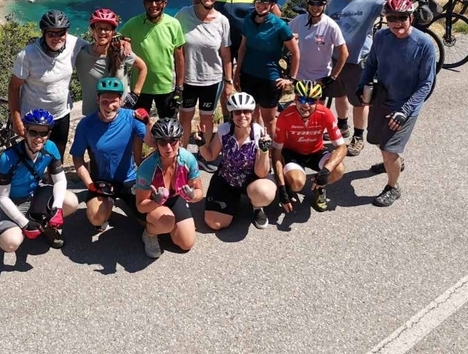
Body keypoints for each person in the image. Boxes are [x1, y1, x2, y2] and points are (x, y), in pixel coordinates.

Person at [326, 0, 415, 157]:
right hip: (334, 60)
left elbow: (395, 9)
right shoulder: (334, 2)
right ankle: (342, 126)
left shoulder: (372, 1)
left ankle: (358, 136)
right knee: (338, 95)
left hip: (357, 61)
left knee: (359, 101)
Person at [357, 0, 435, 208]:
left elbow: (426, 84)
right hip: (382, 98)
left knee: (389, 149)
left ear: (411, 17)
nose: (397, 22)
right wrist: (361, 86)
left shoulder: (425, 44)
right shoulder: (381, 36)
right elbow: (371, 64)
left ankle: (393, 187)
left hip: (405, 105)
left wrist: (405, 110)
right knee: (379, 141)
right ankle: (393, 162)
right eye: (392, 18)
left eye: (402, 17)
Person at [0, 109, 80, 253]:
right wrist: (24, 223)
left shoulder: (50, 148)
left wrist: (57, 208)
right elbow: (2, 197)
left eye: (43, 133)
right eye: (33, 132)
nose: (38, 138)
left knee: (71, 201)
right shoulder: (8, 158)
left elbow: (59, 181)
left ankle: (45, 226)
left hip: (36, 194)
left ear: (49, 134)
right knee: (11, 243)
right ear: (25, 132)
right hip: (13, 200)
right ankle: (6, 230)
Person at [70, 77, 148, 229]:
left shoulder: (131, 117)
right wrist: (90, 185)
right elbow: (77, 159)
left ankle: (124, 201)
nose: (109, 106)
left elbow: (153, 141)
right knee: (95, 218)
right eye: (104, 101)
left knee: (147, 220)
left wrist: (148, 122)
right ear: (97, 99)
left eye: (114, 101)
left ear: (121, 100)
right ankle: (109, 202)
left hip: (128, 178)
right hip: (101, 181)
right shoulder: (86, 124)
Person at [8, 9, 86, 158]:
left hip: (61, 113)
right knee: (33, 157)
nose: (57, 38)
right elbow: (13, 88)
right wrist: (16, 120)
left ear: (66, 32)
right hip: (34, 117)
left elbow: (98, 48)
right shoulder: (28, 55)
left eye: (61, 33)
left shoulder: (73, 44)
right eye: (51, 34)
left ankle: (53, 181)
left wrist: (121, 40)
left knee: (57, 155)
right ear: (43, 33)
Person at [213, 0, 281, 116]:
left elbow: (275, 14)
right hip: (222, 45)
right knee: (225, 85)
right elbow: (198, 2)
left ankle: (253, 124)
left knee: (249, 85)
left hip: (249, 44)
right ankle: (228, 120)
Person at [200, 92, 277, 231]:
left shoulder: (258, 133)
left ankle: (257, 206)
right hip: (226, 179)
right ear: (232, 114)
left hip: (252, 178)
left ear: (252, 113)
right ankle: (232, 201)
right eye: (237, 112)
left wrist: (264, 150)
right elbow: (210, 156)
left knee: (265, 192)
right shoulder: (224, 130)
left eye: (246, 112)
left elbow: (261, 172)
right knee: (214, 223)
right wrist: (201, 144)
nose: (242, 116)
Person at [234, 0, 299, 140]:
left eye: (265, 2)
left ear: (272, 5)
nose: (261, 5)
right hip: (248, 75)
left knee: (269, 119)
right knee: (252, 116)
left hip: (269, 78)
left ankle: (273, 152)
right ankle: (256, 146)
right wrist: (237, 74)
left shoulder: (279, 25)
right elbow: (242, 48)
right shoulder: (248, 20)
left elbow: (296, 52)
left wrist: (291, 78)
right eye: (258, 0)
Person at [175, 0, 233, 149]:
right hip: (187, 78)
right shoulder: (184, 14)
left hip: (212, 80)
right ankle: (182, 155)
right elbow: (172, 41)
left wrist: (228, 81)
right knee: (185, 117)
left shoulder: (222, 21)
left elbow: (226, 54)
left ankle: (205, 152)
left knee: (207, 118)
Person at [271, 80, 346, 213]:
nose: (306, 104)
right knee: (297, 183)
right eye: (302, 99)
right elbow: (276, 153)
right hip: (292, 153)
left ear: (317, 101)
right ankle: (289, 185)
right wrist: (282, 188)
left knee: (338, 169)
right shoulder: (285, 116)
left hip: (315, 152)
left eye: (312, 100)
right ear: (295, 99)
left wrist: (326, 171)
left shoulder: (325, 114)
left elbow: (341, 147)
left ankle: (319, 186)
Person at [134, 118, 203, 259]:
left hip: (175, 199)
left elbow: (200, 193)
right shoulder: (147, 167)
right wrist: (156, 202)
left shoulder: (188, 159)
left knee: (186, 243)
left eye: (173, 141)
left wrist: (192, 195)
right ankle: (150, 233)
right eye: (162, 142)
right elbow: (140, 206)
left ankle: (166, 226)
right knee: (167, 222)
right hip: (153, 204)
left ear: (180, 140)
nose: (169, 148)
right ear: (156, 143)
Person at [117, 0, 186, 119]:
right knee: (138, 127)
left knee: (168, 126)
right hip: (140, 87)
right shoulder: (133, 23)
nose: (153, 5)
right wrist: (124, 41)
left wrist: (179, 88)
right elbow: (117, 39)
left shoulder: (173, 24)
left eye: (158, 0)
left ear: (164, 3)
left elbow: (179, 58)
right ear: (144, 2)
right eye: (149, 0)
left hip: (166, 86)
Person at [76, 8, 148, 116]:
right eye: (98, 28)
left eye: (107, 29)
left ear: (112, 32)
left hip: (120, 112)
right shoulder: (81, 54)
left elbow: (143, 68)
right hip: (93, 115)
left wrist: (134, 95)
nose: (102, 32)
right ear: (92, 30)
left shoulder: (121, 51)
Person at [289, 0, 349, 101]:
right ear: (307, 4)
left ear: (325, 5)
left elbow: (344, 53)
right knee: (300, 106)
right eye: (312, 3)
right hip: (300, 76)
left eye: (320, 3)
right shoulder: (299, 20)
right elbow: (283, 35)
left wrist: (332, 77)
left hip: (320, 78)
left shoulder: (331, 26)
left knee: (316, 110)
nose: (315, 7)